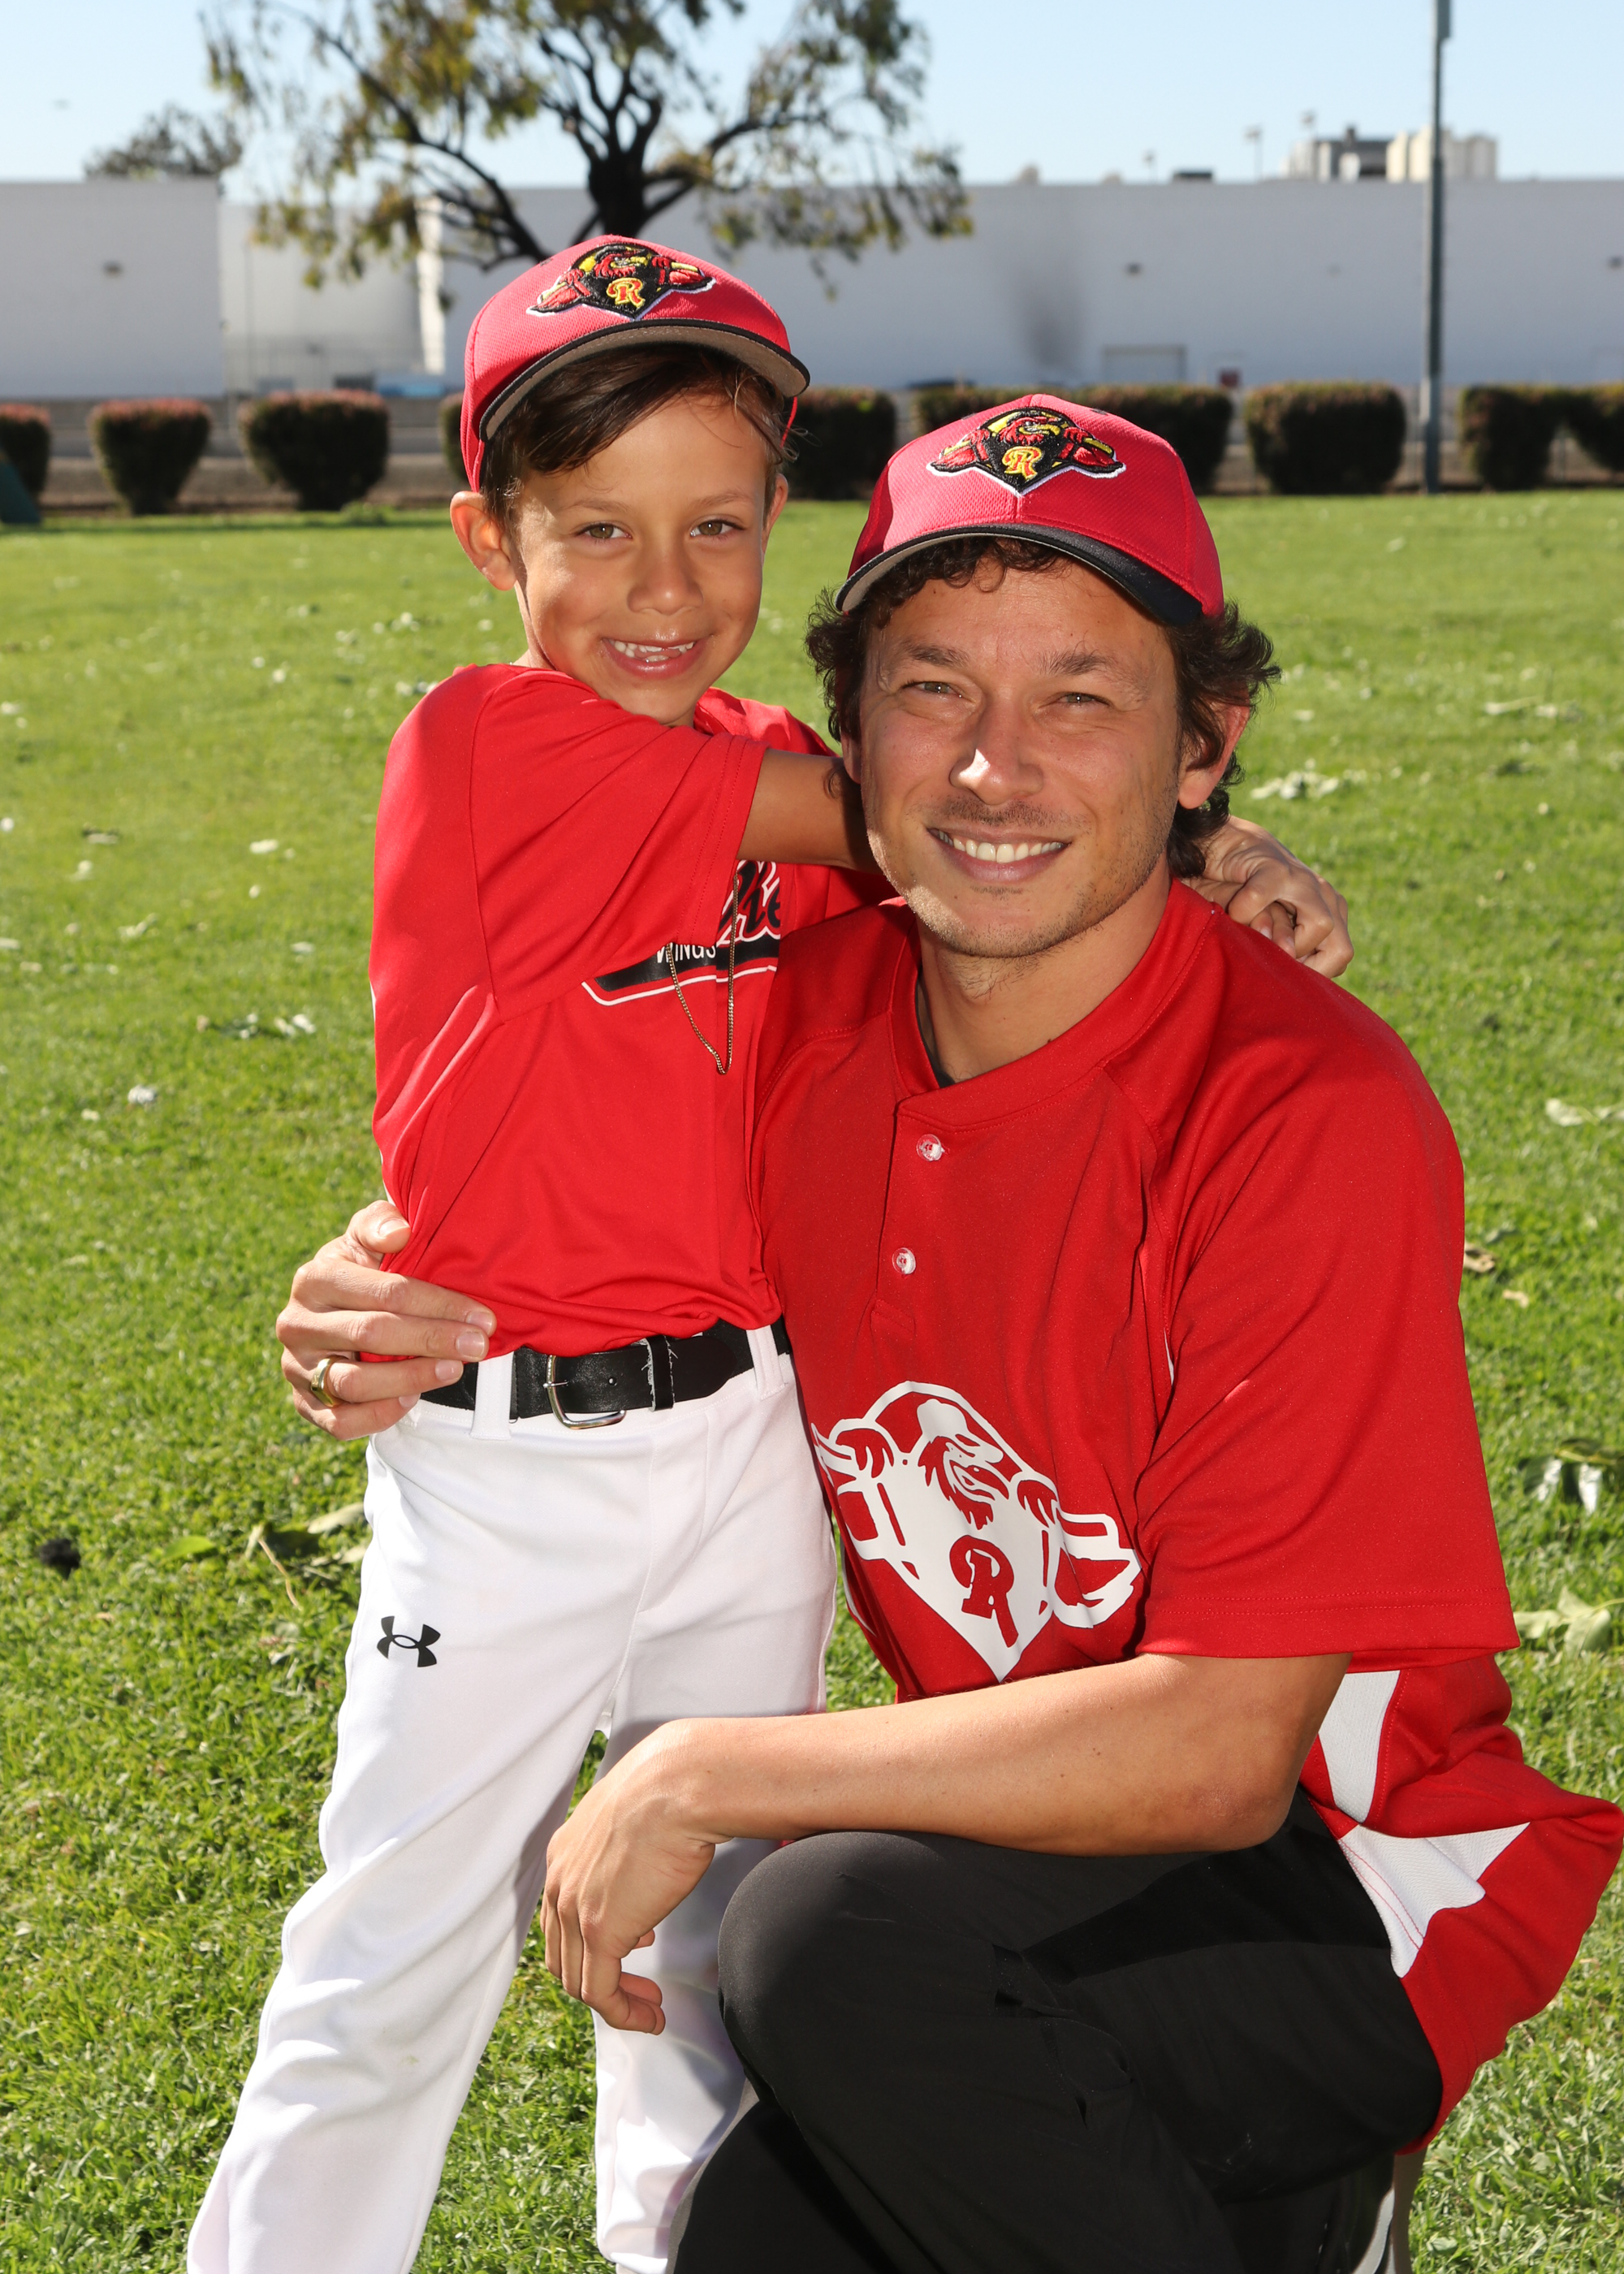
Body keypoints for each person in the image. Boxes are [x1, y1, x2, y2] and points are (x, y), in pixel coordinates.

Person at [206, 246, 1345, 2274]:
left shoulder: (760, 759)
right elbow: (914, 817)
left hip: (750, 1436)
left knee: (712, 1949)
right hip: (507, 1451)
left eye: (716, 525)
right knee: (397, 1947)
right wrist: (1195, 830)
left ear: (773, 522)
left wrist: (1194, 856)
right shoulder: (490, 742)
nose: (661, 586)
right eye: (595, 530)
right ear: (485, 537)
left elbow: (962, 908)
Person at [514, 402, 1618, 2270]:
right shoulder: (801, 1016)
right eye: (932, 688)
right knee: (754, 2237)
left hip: (1344, 1869)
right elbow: (564, 1186)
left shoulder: (1305, 1108)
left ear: (1204, 745)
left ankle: (1311, 2191)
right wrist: (386, 1265)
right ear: (852, 728)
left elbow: (1221, 1748)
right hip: (1025, 1860)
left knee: (826, 1930)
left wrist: (702, 1770)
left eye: (1081, 699)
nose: (992, 766)